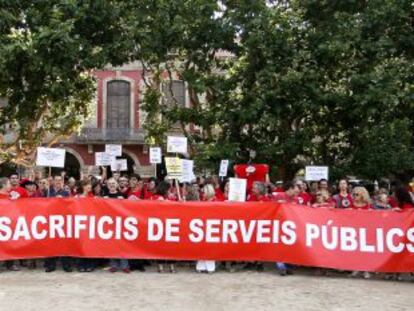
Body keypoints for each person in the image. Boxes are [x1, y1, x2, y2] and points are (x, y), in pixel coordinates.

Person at [44, 176, 73, 273]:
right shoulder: (48, 192)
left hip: (63, 221)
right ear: (53, 182)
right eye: (56, 180)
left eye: (60, 180)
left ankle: (66, 265)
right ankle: (50, 265)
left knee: (64, 244)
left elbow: (71, 206)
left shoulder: (66, 193)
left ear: (63, 182)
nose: (58, 182)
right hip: (51, 221)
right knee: (50, 244)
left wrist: (63, 200)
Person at [104, 178, 130, 273]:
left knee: (123, 245)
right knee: (111, 245)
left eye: (113, 183)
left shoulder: (121, 196)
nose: (111, 185)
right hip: (109, 223)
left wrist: (123, 201)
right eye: (110, 183)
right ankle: (113, 265)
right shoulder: (105, 197)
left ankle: (124, 266)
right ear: (107, 185)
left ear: (116, 185)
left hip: (120, 223)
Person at [272, 181, 298, 276]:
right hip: (278, 225)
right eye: (296, 188)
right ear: (290, 188)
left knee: (290, 247)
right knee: (279, 246)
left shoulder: (296, 199)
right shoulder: (277, 196)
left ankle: (288, 266)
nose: (297, 191)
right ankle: (281, 267)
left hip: (291, 227)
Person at [151, 181, 177, 273]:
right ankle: (160, 265)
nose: (170, 190)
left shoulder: (172, 197)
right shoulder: (154, 197)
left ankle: (171, 265)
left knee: (171, 246)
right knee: (160, 246)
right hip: (159, 224)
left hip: (170, 224)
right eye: (169, 189)